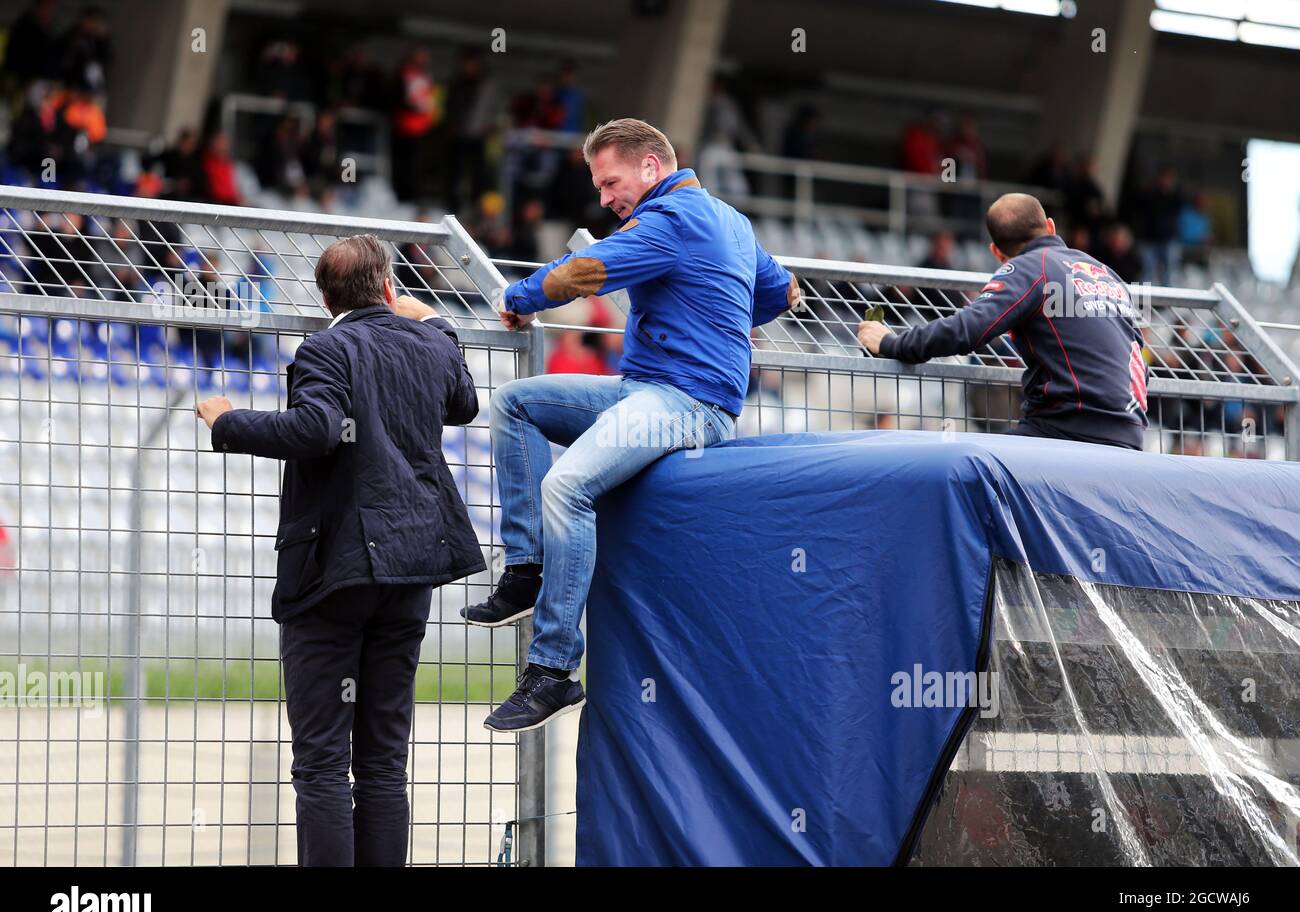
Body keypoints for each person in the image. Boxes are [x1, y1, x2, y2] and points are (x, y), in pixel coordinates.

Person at [400, 118, 801, 733]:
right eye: (599, 186)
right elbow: (785, 293)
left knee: (566, 487)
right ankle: (528, 571)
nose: (606, 198)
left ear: (651, 167)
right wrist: (727, 313)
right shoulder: (732, 221)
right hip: (649, 392)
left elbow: (584, 273)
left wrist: (517, 298)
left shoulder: (673, 218)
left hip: (686, 404)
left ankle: (553, 671)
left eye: (611, 182)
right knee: (514, 401)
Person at [194, 235, 485, 865]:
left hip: (336, 571)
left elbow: (316, 430)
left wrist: (226, 420)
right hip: (409, 568)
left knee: (323, 761)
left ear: (326, 300)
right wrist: (435, 320)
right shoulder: (430, 344)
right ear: (387, 289)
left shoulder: (326, 346)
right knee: (383, 761)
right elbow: (464, 401)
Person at [857, 193, 1149, 450]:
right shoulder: (1104, 272)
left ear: (996, 252)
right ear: (1050, 226)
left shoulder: (1030, 267)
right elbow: (1140, 357)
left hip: (1068, 431)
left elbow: (968, 329)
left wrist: (892, 343)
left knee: (970, 467)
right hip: (1131, 433)